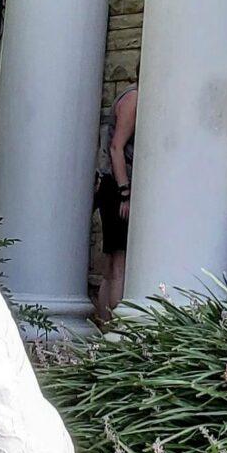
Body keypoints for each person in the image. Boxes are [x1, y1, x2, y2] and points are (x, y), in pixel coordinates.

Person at [93, 82, 137, 325]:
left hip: (111, 186)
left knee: (111, 265)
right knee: (119, 262)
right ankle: (115, 332)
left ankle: (103, 326)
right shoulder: (134, 98)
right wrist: (125, 192)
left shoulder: (128, 94)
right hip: (118, 187)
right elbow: (116, 147)